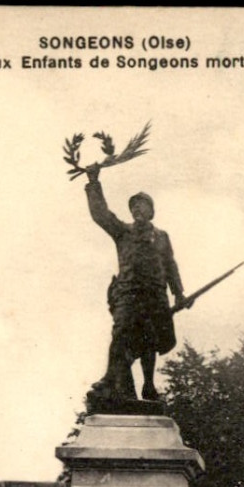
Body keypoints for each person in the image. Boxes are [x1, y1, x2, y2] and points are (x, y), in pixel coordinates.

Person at [84, 162, 192, 406]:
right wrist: (93, 183)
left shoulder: (162, 237)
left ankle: (149, 386)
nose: (136, 209)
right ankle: (109, 379)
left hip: (155, 296)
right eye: (133, 206)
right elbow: (101, 215)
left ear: (151, 211)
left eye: (141, 205)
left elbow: (171, 266)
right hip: (128, 294)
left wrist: (179, 294)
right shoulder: (123, 232)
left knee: (150, 341)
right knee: (121, 334)